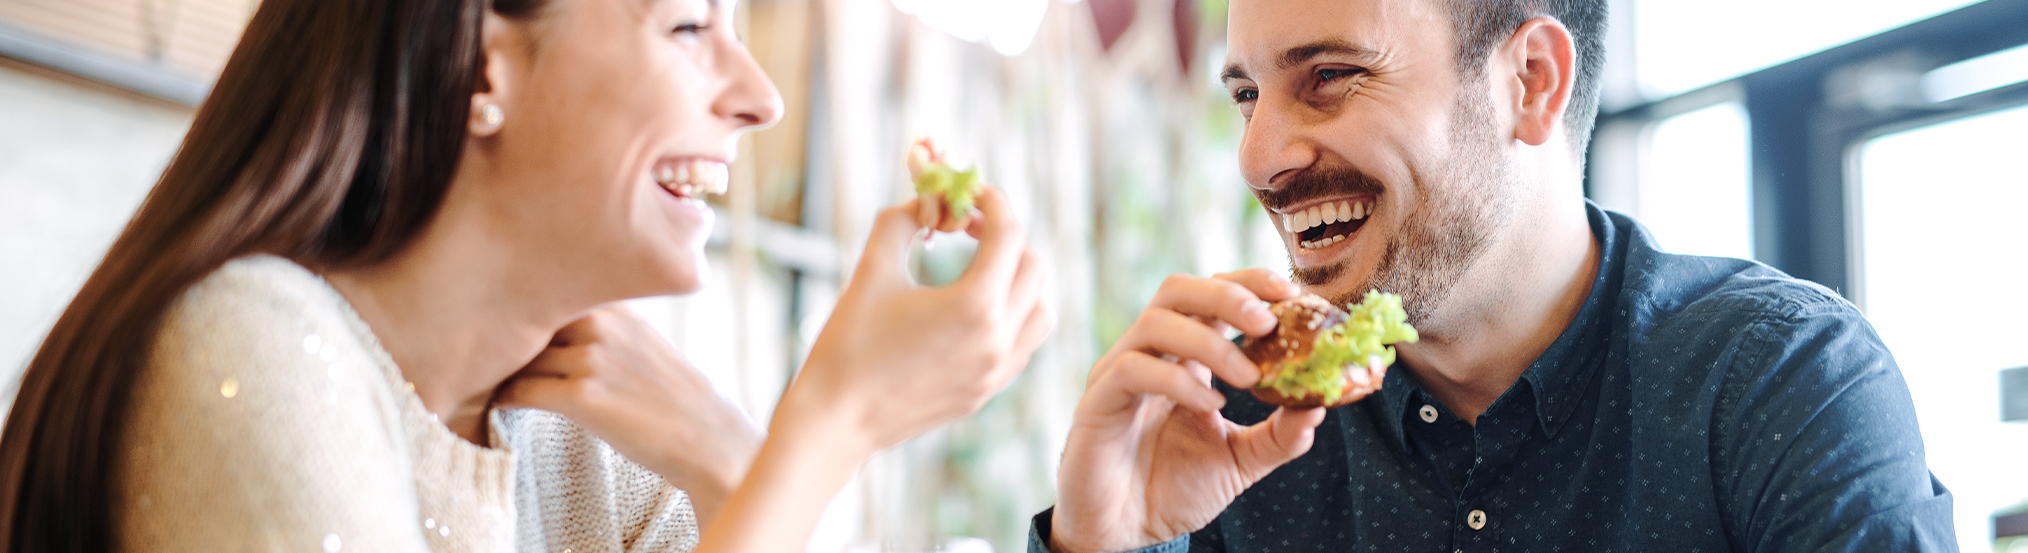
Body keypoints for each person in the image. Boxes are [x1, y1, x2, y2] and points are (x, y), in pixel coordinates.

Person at [0, 0, 1051, 551]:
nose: (760, 96)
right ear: (482, 61)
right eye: (689, 26)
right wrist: (831, 425)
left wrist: (737, 462)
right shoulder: (244, 347)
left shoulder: (580, 443)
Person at [1034, 0, 1956, 551]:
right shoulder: (1229, 419)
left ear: (1530, 82)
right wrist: (1108, 542)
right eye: (1246, 95)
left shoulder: (1779, 381)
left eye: (1329, 75)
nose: (1259, 157)